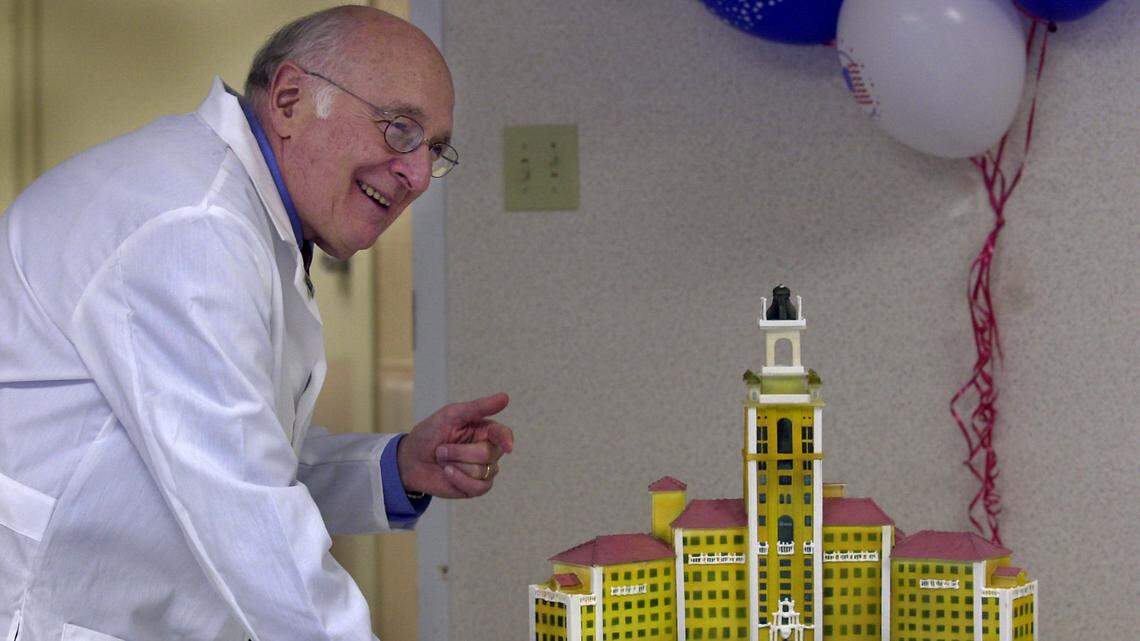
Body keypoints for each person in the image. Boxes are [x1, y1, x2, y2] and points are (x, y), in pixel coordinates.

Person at [0, 6, 512, 641]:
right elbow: (246, 506)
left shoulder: (244, 222)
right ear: (291, 99)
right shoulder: (191, 224)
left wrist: (397, 466)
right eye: (400, 129)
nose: (415, 175)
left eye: (433, 149)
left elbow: (251, 456)